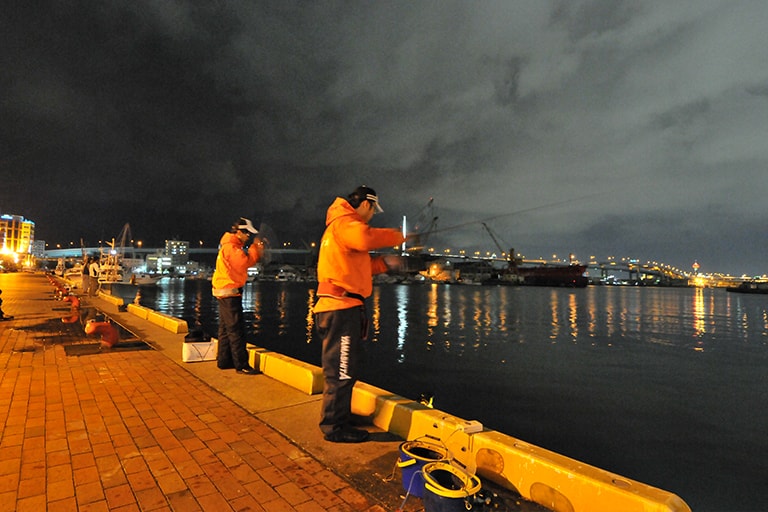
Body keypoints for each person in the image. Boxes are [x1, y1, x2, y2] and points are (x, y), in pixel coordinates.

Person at [313, 185, 408, 443]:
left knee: (346, 368)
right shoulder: (346, 223)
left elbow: (360, 264)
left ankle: (340, 416)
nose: (373, 215)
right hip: (340, 310)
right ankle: (334, 427)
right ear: (366, 204)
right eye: (373, 210)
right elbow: (366, 238)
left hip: (342, 308)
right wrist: (397, 237)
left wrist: (384, 265)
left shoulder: (341, 228)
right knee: (341, 370)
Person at [211, 217, 264, 374]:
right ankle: (242, 365)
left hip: (223, 292)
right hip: (230, 293)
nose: (248, 236)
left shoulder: (227, 246)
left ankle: (224, 361)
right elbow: (245, 262)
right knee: (236, 330)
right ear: (239, 231)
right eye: (247, 233)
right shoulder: (232, 248)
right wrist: (256, 249)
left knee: (225, 329)